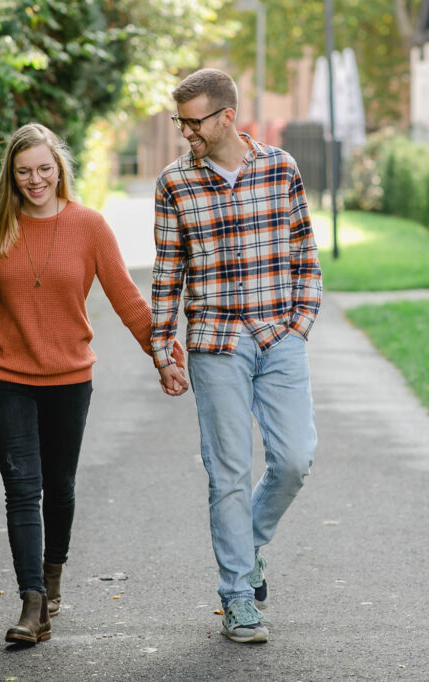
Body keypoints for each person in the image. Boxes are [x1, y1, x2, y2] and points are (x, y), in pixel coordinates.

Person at [0, 122, 186, 646]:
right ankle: (33, 603)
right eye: (24, 171)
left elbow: (127, 299)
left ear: (60, 170)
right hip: (6, 374)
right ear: (11, 174)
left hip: (69, 377)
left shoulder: (89, 226)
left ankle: (52, 575)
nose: (35, 180)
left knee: (61, 486)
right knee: (21, 490)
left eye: (44, 170)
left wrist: (163, 353)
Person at [151, 69, 321, 644]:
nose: (186, 133)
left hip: (278, 335)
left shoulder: (280, 168)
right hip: (215, 344)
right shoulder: (174, 182)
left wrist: (299, 325)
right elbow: (167, 271)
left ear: (227, 117)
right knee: (227, 473)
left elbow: (305, 253)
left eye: (193, 121)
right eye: (181, 121)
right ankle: (238, 596)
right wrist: (161, 347)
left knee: (295, 458)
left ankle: (247, 550)